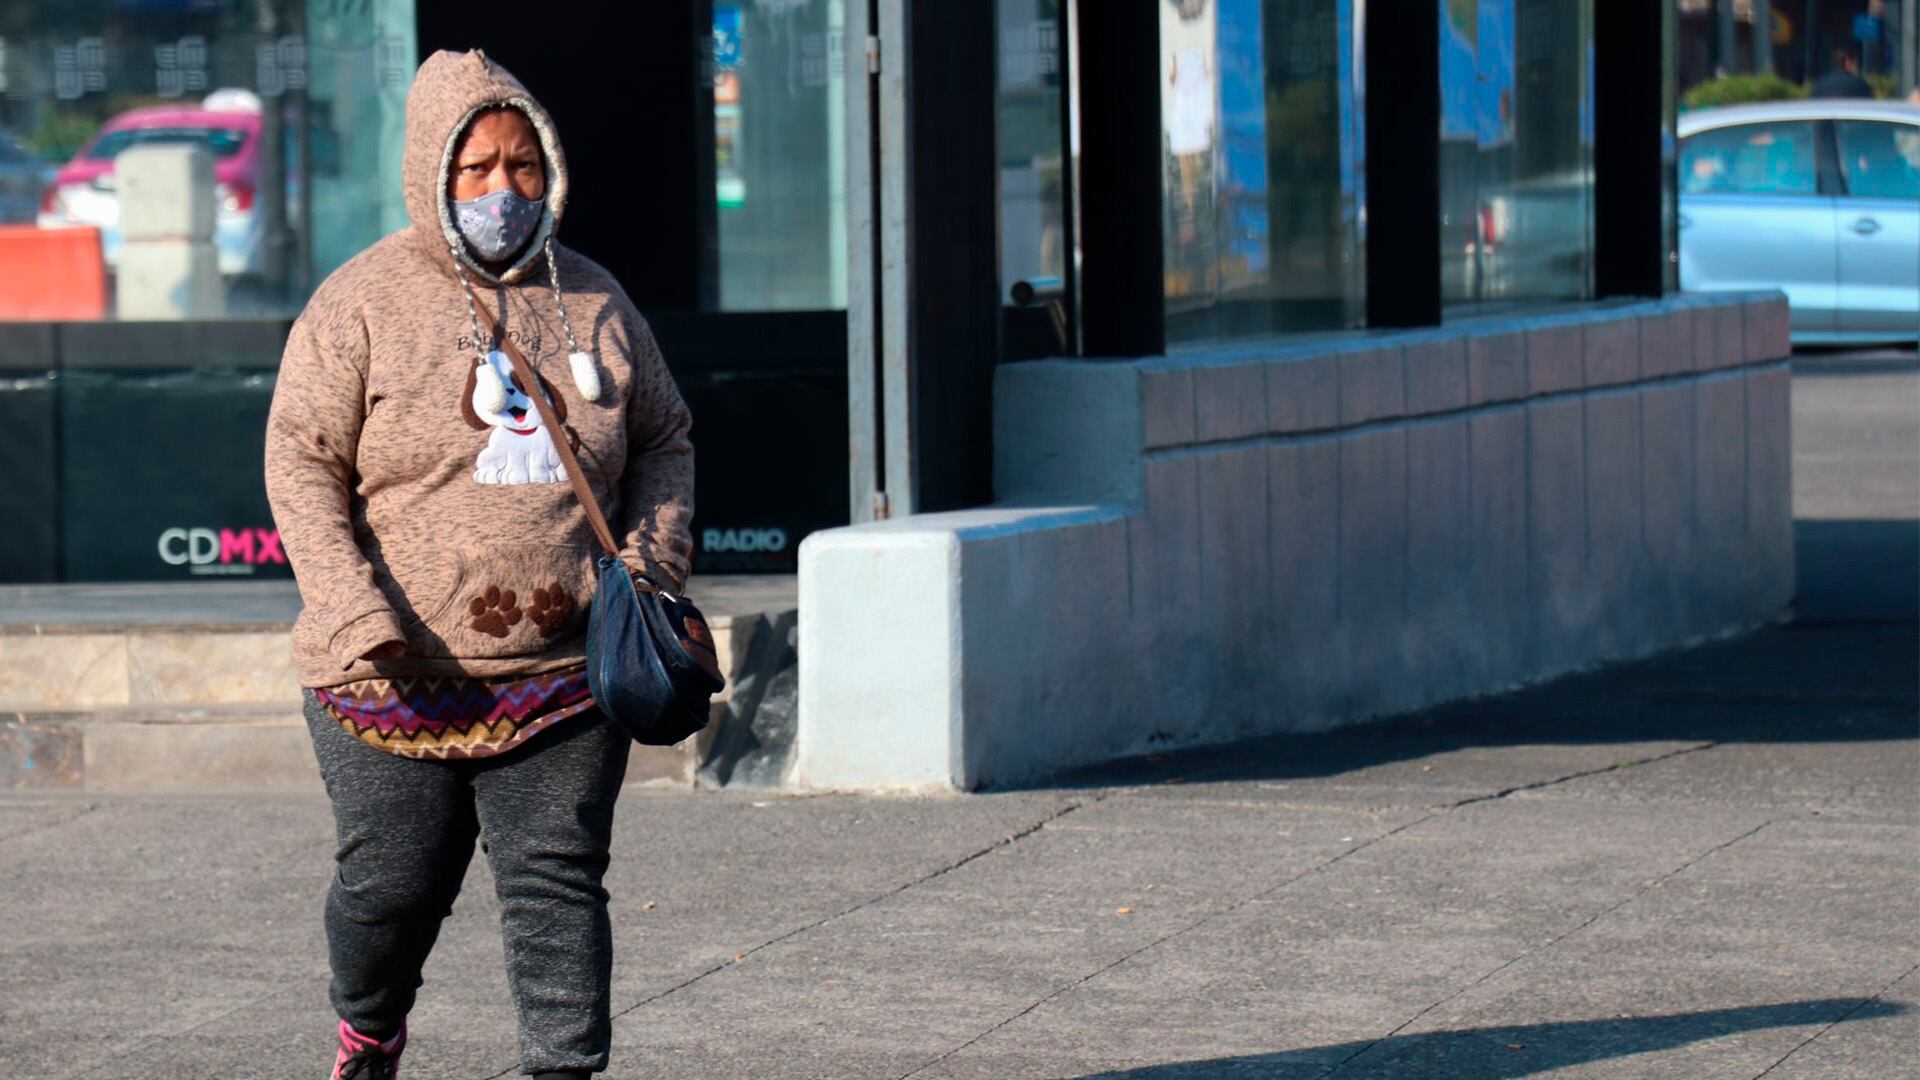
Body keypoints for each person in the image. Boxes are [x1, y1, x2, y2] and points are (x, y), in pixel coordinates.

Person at [263, 49, 694, 1080]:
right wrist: (354, 608)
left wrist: (646, 563)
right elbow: (299, 460)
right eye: (478, 169)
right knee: (392, 888)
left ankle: (564, 1067)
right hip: (388, 677)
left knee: (556, 882)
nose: (506, 191)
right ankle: (368, 1027)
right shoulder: (358, 303)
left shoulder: (596, 301)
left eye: (524, 167)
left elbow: (666, 437)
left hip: (559, 672)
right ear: (431, 174)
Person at [1810, 46, 1875, 99]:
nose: (1857, 67)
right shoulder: (1861, 87)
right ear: (1848, 62)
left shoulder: (1818, 86)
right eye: (1855, 63)